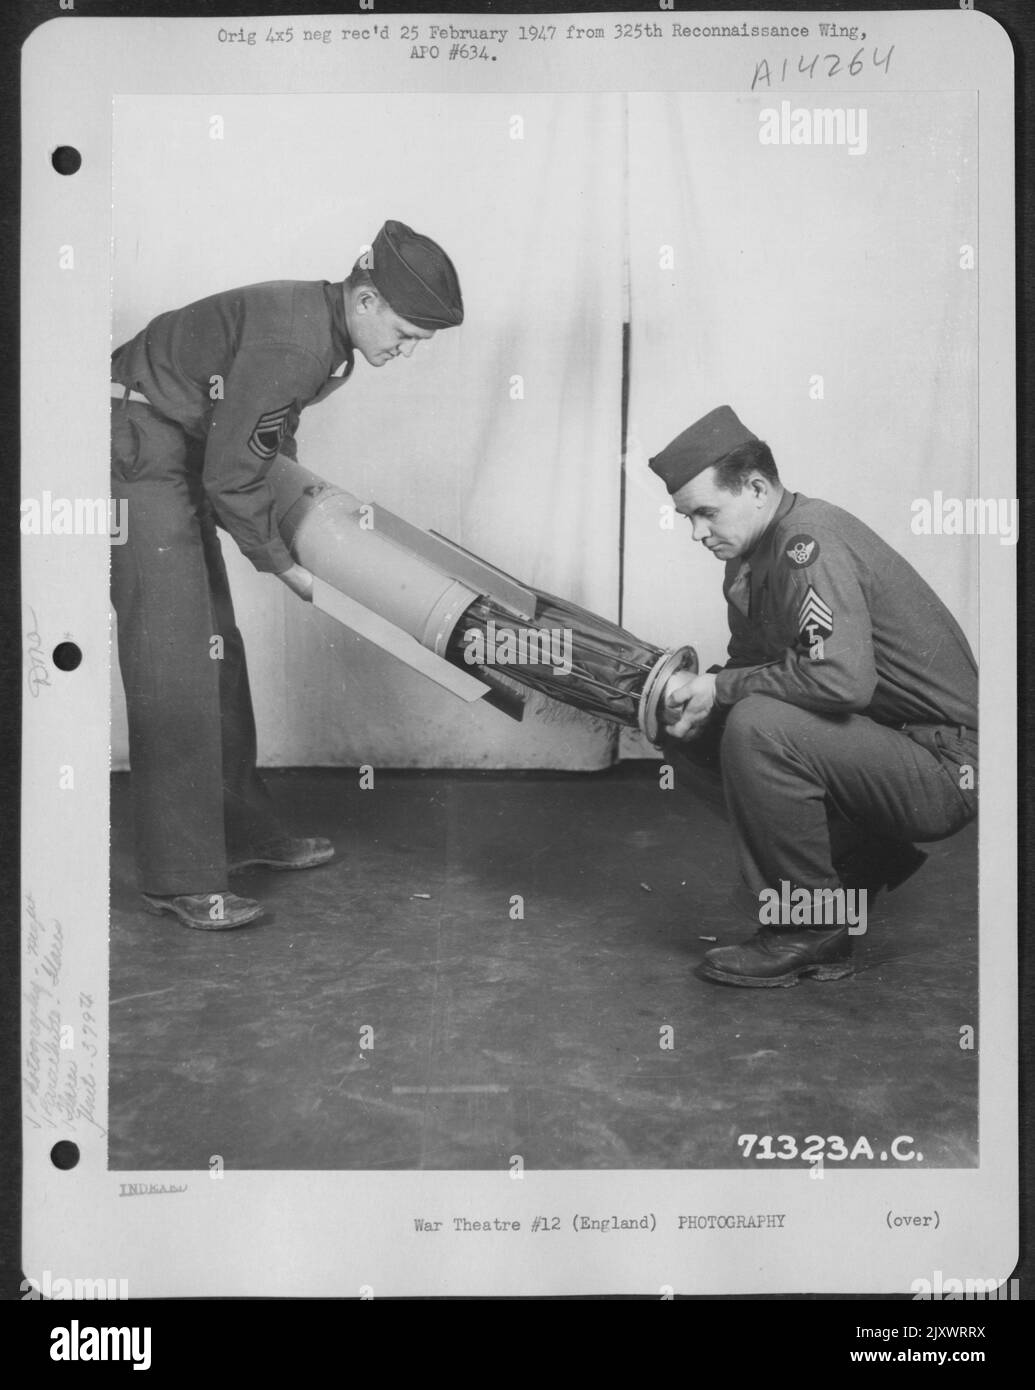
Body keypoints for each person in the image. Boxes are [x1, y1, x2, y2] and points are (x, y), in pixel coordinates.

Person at [110, 220, 464, 930]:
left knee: (215, 648)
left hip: (178, 438)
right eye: (404, 330)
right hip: (136, 442)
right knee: (173, 656)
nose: (407, 349)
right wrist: (284, 566)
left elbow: (260, 436)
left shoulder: (323, 331)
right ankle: (178, 876)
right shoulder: (298, 340)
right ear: (364, 299)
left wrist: (299, 514)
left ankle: (239, 829)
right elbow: (234, 477)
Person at [650, 406, 977, 987]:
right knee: (700, 725)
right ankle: (863, 858)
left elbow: (842, 681)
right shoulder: (752, 557)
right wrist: (691, 692)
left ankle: (811, 929)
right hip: (888, 746)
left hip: (948, 766)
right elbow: (763, 669)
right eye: (686, 518)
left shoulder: (807, 542)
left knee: (756, 724)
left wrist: (722, 686)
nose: (697, 533)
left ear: (755, 488)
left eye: (705, 513)